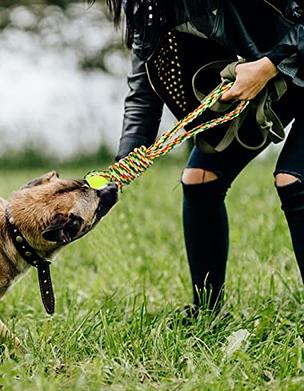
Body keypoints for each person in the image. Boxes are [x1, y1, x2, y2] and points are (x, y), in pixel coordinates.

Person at [105, 0, 304, 318]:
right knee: (200, 178)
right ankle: (208, 314)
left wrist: (266, 66)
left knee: (293, 178)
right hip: (276, 80)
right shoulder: (151, 8)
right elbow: (144, 90)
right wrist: (121, 169)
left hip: (277, 67)